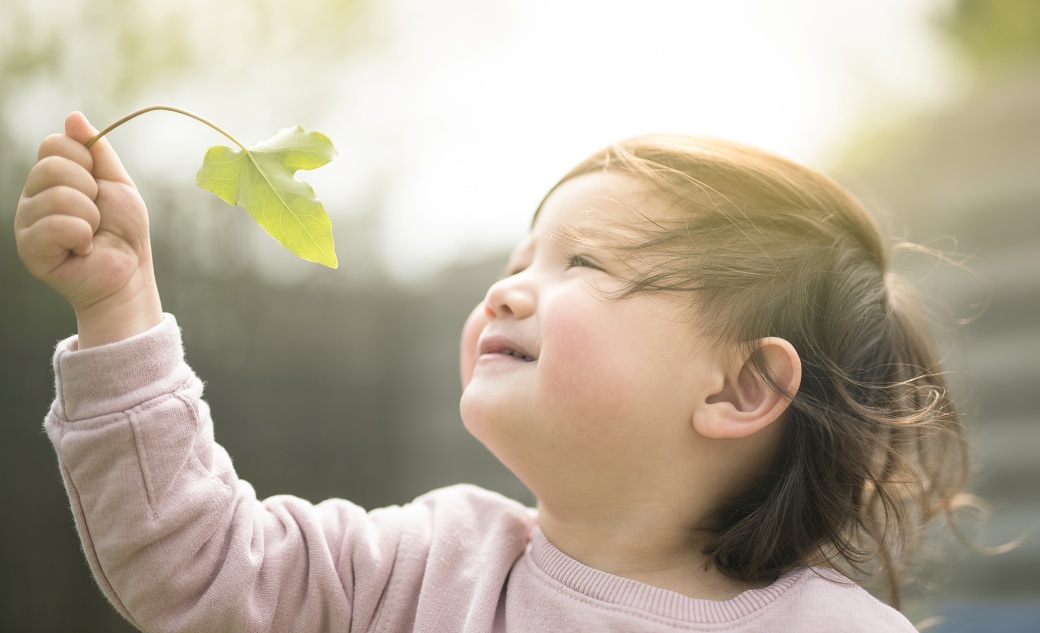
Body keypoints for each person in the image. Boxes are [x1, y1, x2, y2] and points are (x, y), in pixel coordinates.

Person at [14, 112, 970, 632]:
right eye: (518, 263)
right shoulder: (420, 567)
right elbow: (199, 566)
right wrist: (119, 308)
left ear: (741, 389)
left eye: (582, 264)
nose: (509, 292)